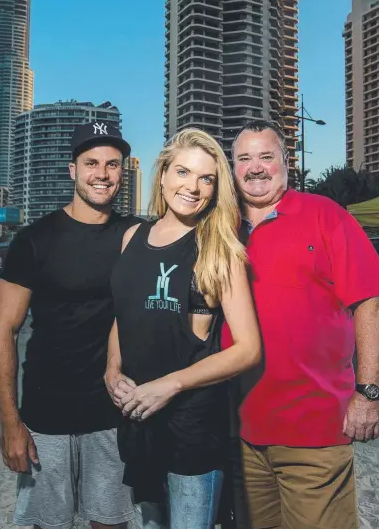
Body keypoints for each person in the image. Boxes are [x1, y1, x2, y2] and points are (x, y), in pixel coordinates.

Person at [223, 119, 379, 529]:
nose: (256, 167)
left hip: (315, 429)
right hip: (238, 431)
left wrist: (368, 392)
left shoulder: (325, 215)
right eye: (244, 158)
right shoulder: (221, 230)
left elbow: (371, 302)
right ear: (232, 168)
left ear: (286, 162)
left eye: (266, 156)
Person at [105, 128, 262, 529]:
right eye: (183, 172)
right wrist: (112, 369)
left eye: (206, 178)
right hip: (138, 419)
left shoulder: (217, 247)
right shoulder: (131, 237)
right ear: (162, 176)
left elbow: (247, 349)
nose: (192, 187)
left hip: (191, 426)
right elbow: (124, 314)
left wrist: (170, 385)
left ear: (215, 188)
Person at [0, 122, 141, 529]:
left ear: (122, 172)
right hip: (45, 415)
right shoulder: (35, 240)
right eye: (91, 163)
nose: (103, 173)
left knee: (111, 522)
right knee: (47, 524)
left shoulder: (135, 236)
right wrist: (10, 424)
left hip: (113, 413)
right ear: (73, 170)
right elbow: (4, 332)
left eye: (112, 164)